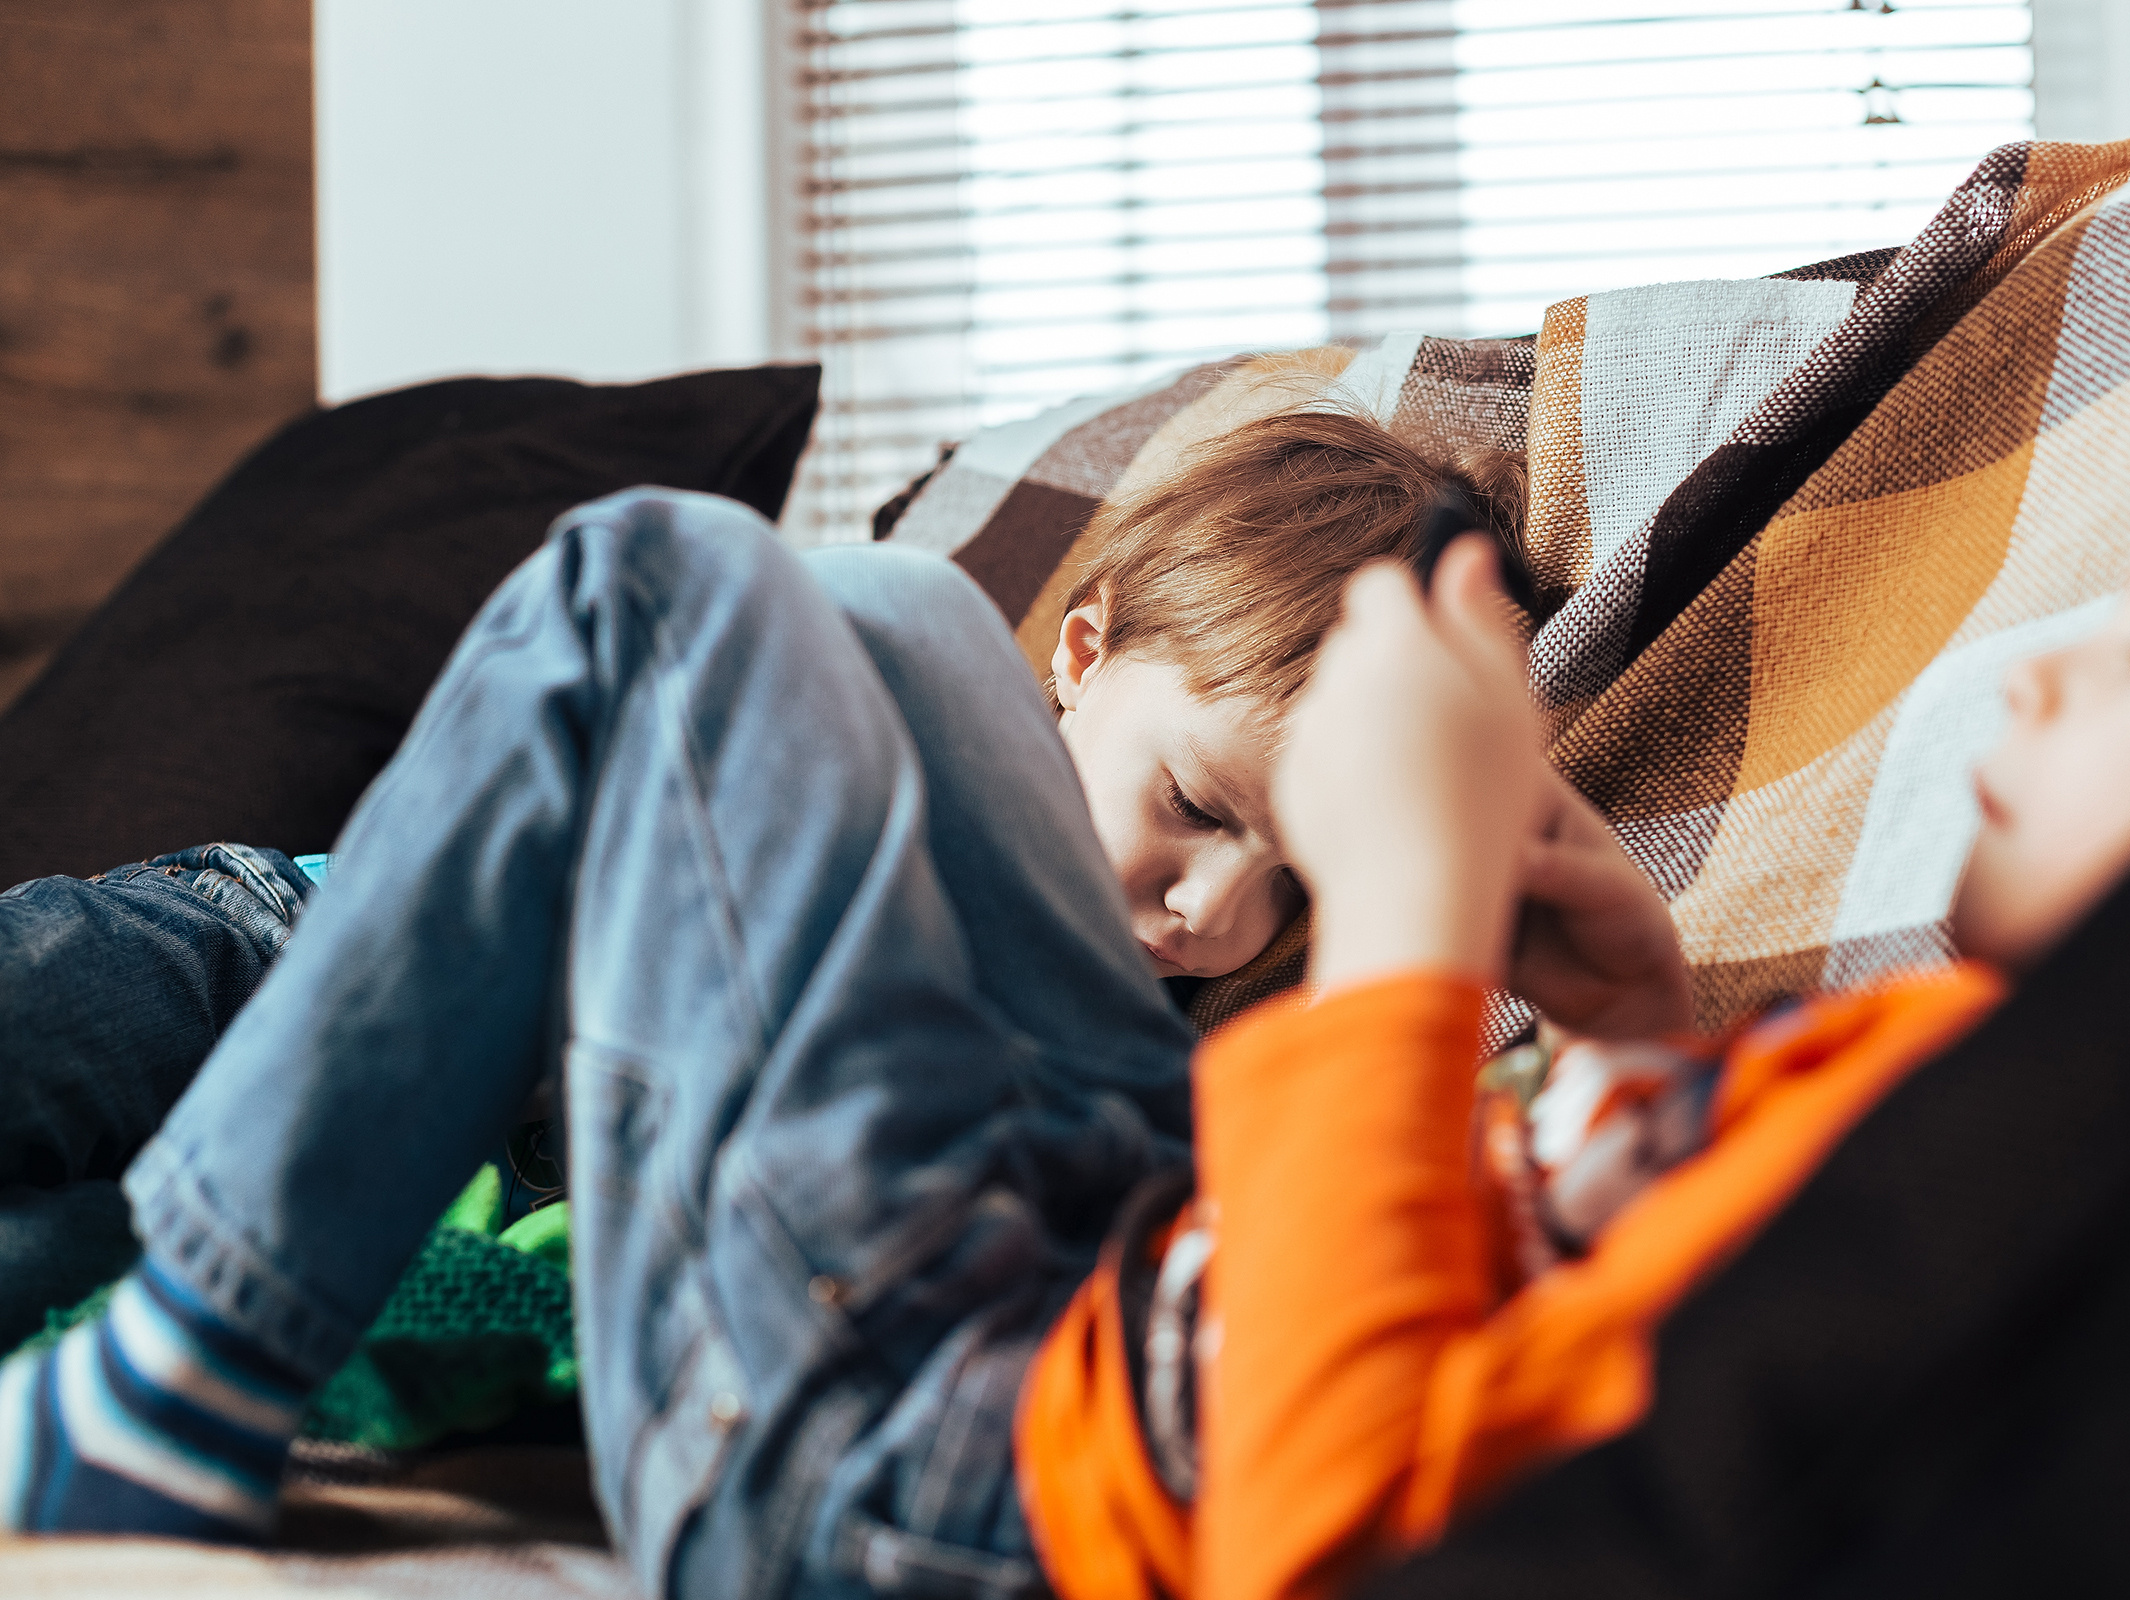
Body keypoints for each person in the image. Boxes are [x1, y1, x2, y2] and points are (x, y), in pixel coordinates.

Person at [0, 409, 1538, 1589]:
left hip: (479, 1200)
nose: (1221, 914)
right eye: (1195, 806)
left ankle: (164, 1385)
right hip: (306, 949)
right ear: (1083, 649)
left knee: (52, 1256)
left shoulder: (1158, 1068)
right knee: (886, 605)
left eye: (1298, 887)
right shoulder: (888, 745)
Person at [1012, 357, 2130, 1600]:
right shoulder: (1924, 1046)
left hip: (1050, 1482)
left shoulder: (2035, 1174)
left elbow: (1340, 1545)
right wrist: (1628, 1037)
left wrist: (1395, 930)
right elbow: (1607, 1320)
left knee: (898, 625)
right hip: (1091, 1362)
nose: (2038, 675)